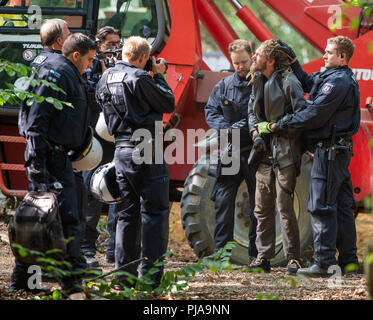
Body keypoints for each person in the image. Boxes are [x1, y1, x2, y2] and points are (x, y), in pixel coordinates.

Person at [10, 33, 97, 294]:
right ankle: (70, 286)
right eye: (89, 60)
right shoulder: (56, 73)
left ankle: (25, 282)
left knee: (47, 221)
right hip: (48, 159)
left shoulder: (70, 72)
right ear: (75, 55)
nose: (91, 66)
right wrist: (39, 167)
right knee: (57, 221)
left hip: (60, 157)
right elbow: (36, 122)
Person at [272, 36, 360, 277]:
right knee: (342, 207)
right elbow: (309, 82)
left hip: (330, 153)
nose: (324, 55)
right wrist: (294, 60)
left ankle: (323, 264)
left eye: (329, 52)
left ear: (342, 57)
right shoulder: (331, 76)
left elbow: (315, 114)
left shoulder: (339, 82)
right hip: (336, 152)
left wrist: (279, 124)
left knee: (320, 206)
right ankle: (349, 262)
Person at [96, 36, 175, 287]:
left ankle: (123, 278)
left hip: (121, 150)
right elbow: (168, 102)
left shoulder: (104, 78)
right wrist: (159, 75)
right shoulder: (140, 78)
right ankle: (150, 280)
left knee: (126, 213)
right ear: (143, 57)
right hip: (146, 148)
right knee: (154, 213)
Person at [247, 39, 306, 274]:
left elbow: (302, 115)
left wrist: (273, 127)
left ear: (270, 60)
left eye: (258, 54)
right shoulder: (257, 80)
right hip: (263, 154)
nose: (253, 58)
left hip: (285, 153)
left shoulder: (289, 80)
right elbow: (252, 112)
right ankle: (263, 258)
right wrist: (255, 134)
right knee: (261, 208)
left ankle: (293, 258)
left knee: (284, 207)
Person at [204, 39, 258, 261]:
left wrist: (246, 126)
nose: (240, 66)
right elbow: (210, 111)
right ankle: (220, 255)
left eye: (244, 62)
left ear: (252, 57)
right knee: (223, 202)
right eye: (236, 63)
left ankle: (257, 256)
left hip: (256, 151)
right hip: (230, 149)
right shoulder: (224, 86)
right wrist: (227, 128)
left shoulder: (261, 83)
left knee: (258, 205)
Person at [80, 26, 121, 267]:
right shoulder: (91, 65)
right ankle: (86, 248)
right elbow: (88, 95)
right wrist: (104, 75)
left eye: (117, 43)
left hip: (117, 140)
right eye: (108, 44)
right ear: (99, 44)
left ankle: (115, 250)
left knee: (117, 193)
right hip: (94, 138)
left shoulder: (123, 66)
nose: (113, 48)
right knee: (90, 193)